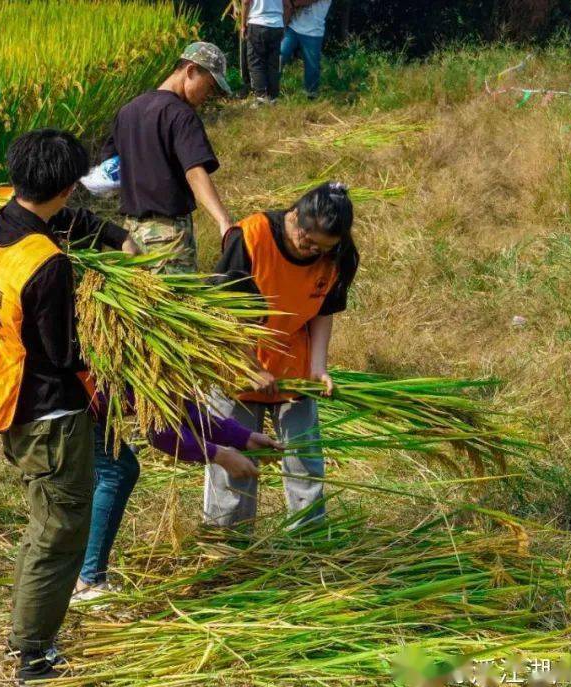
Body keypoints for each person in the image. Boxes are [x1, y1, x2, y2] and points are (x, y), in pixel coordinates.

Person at [0, 129, 135, 685]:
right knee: (59, 533)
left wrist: (109, 233)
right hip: (50, 417)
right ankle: (34, 656)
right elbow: (65, 354)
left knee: (46, 525)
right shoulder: (49, 265)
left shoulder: (4, 219)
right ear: (65, 187)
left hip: (11, 397)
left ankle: (29, 635)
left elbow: (62, 222)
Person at [204, 182, 358, 527]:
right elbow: (225, 313)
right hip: (237, 362)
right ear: (296, 217)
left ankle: (307, 544)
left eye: (323, 247)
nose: (313, 251)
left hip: (292, 364)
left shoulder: (337, 256)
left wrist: (318, 368)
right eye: (309, 240)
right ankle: (227, 546)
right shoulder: (250, 237)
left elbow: (323, 309)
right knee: (236, 461)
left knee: (305, 462)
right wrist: (250, 366)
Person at [74, 389, 282, 601]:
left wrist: (244, 438)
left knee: (110, 472)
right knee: (117, 471)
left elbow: (181, 413)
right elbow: (162, 432)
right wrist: (220, 455)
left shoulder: (163, 366)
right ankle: (88, 581)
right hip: (69, 403)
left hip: (83, 405)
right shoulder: (144, 361)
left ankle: (77, 574)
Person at [100, 42, 233, 274]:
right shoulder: (181, 115)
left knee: (141, 308)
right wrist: (223, 219)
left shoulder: (128, 111)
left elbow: (109, 169)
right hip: (168, 239)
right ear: (191, 71)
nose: (208, 95)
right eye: (209, 86)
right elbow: (194, 172)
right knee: (178, 305)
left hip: (130, 237)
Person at [281, 0, 333, 100]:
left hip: (313, 31)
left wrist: (292, 4)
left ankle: (311, 94)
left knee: (312, 66)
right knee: (279, 55)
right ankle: (270, 89)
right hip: (293, 27)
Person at [241, 0, 286, 102]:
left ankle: (261, 97)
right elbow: (287, 4)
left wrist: (243, 25)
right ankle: (273, 96)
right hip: (277, 24)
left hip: (257, 22)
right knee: (273, 63)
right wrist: (284, 25)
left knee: (256, 62)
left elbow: (245, 2)